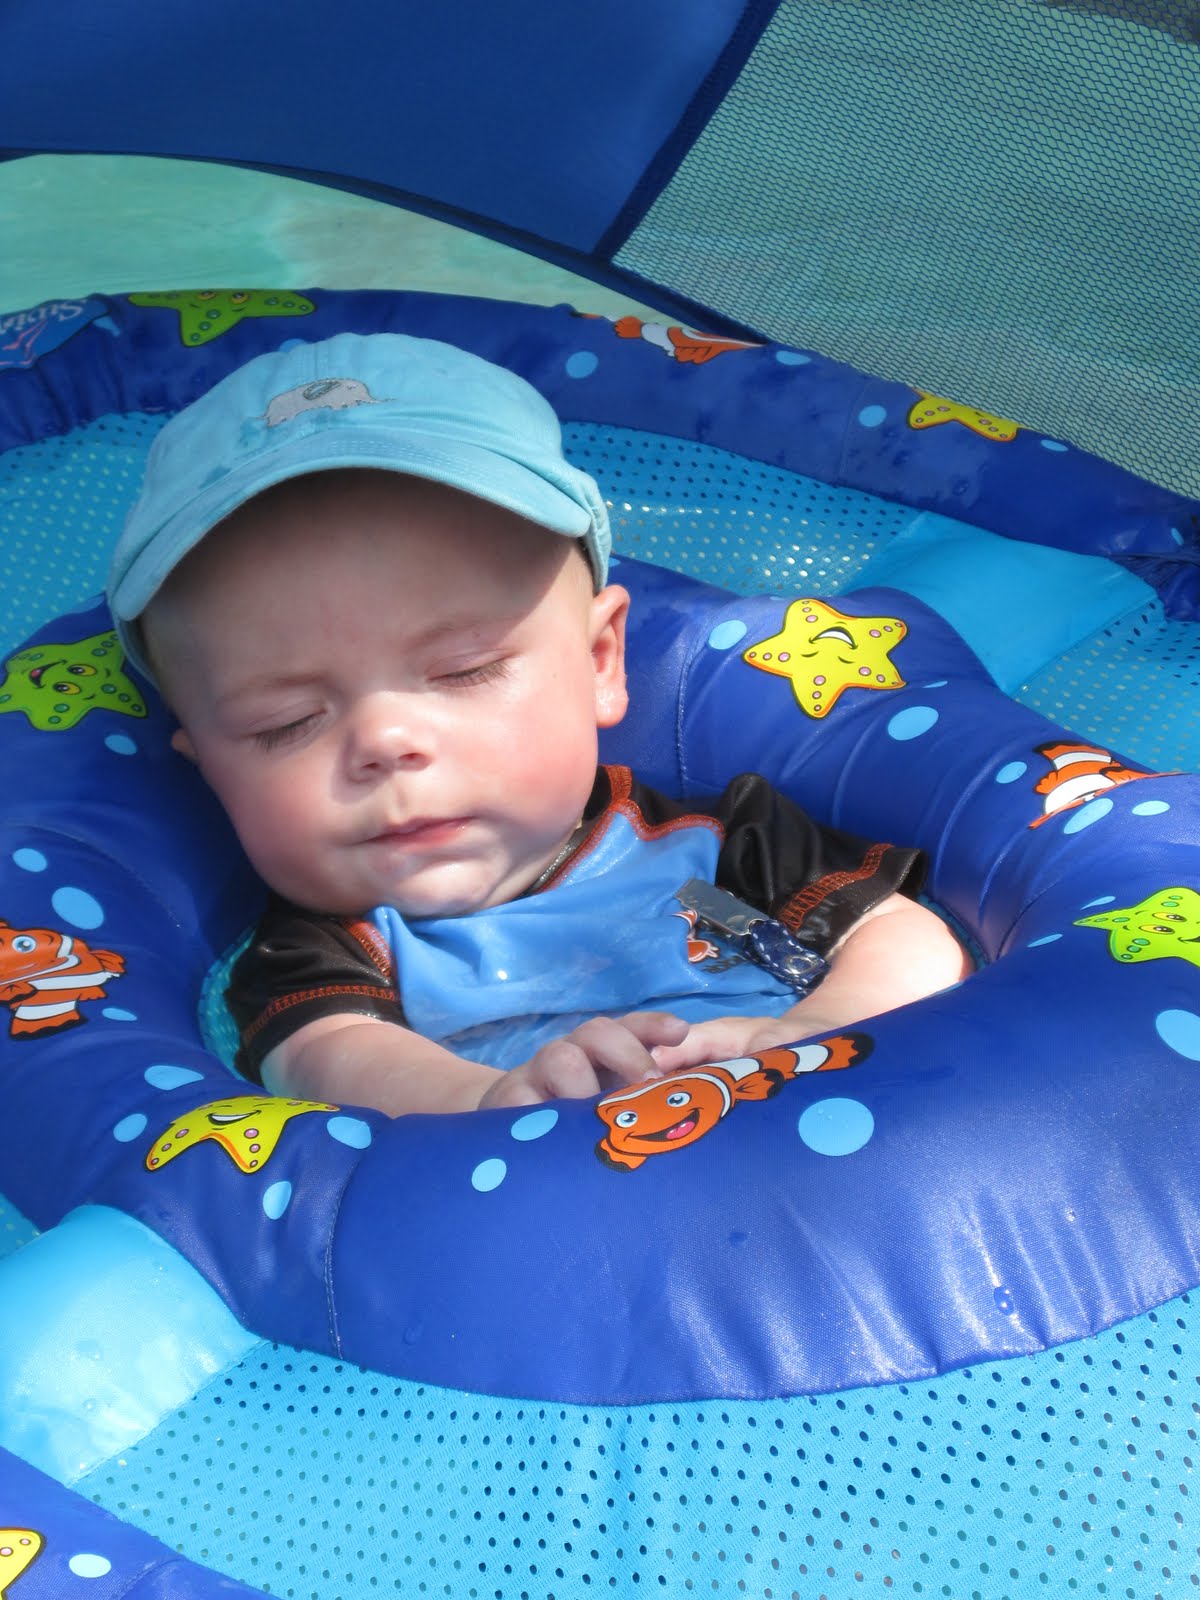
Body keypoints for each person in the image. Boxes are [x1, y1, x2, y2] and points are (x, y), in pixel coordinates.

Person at [107, 332, 968, 1118]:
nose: (386, 743)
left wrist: (812, 1029)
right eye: (286, 722)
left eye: (464, 670)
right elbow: (334, 1062)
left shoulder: (720, 852)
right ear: (208, 766)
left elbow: (900, 935)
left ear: (599, 662)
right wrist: (498, 1103)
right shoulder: (334, 958)